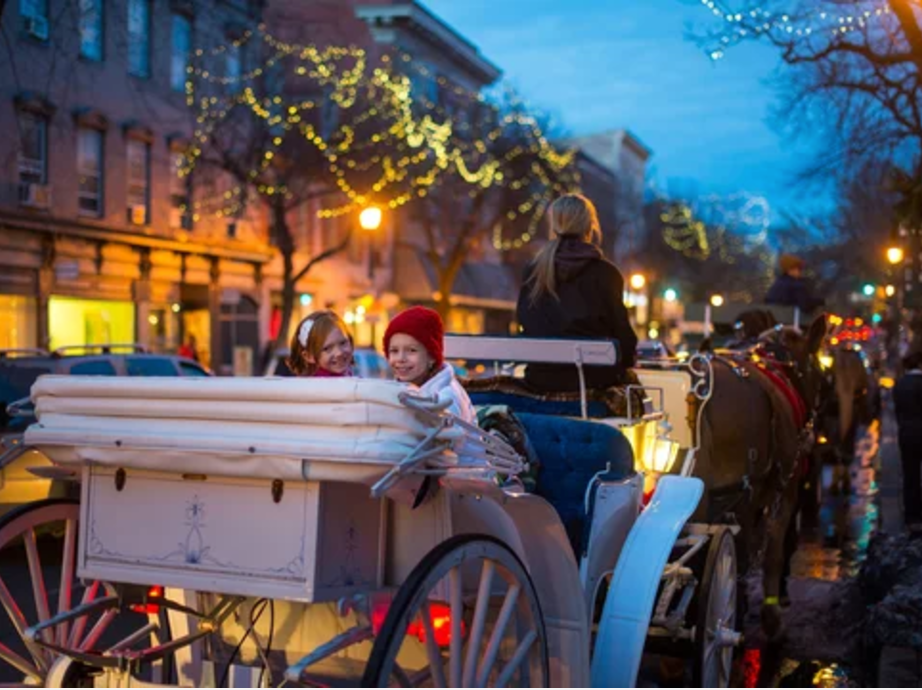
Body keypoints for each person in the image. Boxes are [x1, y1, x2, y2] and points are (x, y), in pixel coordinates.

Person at [515, 193, 637, 392]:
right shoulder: (606, 273)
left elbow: (525, 322)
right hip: (592, 385)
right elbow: (623, 337)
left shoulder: (533, 271)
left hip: (540, 382)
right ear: (590, 227)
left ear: (554, 226)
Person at [384, 306, 476, 424]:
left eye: (412, 350)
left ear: (431, 356)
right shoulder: (398, 390)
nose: (401, 358)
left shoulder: (447, 398)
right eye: (394, 351)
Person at [894, 350, 922, 529]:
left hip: (906, 434)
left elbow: (898, 411)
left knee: (910, 475)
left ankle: (912, 516)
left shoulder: (900, 384)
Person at [287, 310, 355, 377]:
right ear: (309, 356)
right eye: (327, 348)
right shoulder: (315, 383)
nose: (339, 353)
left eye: (343, 343)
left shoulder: (348, 375)